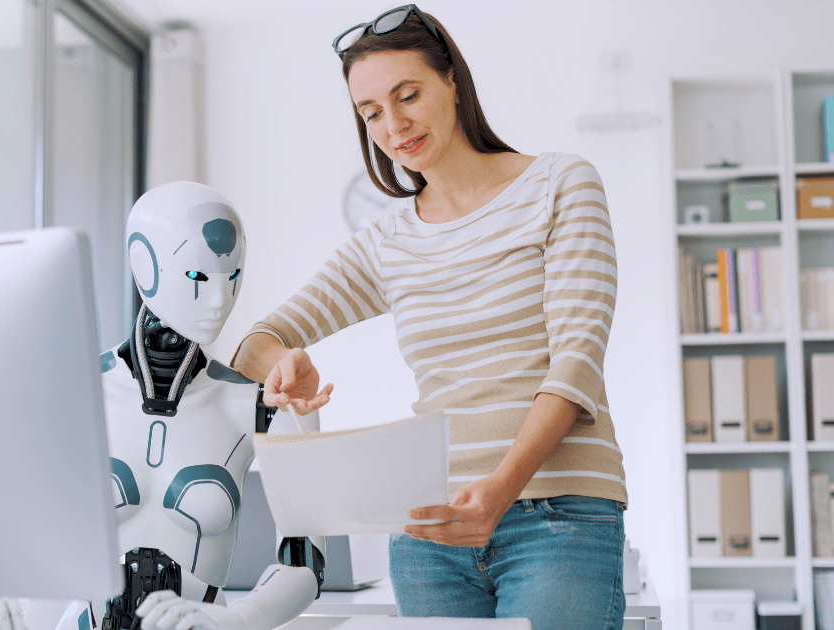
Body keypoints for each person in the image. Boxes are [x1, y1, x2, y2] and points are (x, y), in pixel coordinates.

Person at [231, 5, 627, 629]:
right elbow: (257, 341)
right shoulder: (389, 241)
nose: (394, 125)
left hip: (558, 514)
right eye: (371, 113)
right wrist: (284, 364)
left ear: (451, 80)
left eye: (407, 94)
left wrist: (498, 491)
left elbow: (576, 363)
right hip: (428, 532)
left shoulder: (559, 184)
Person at [51, 181, 326, 630]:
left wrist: (240, 619)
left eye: (232, 277)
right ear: (144, 266)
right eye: (198, 277)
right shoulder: (70, 392)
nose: (219, 302)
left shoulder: (267, 404)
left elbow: (306, 562)